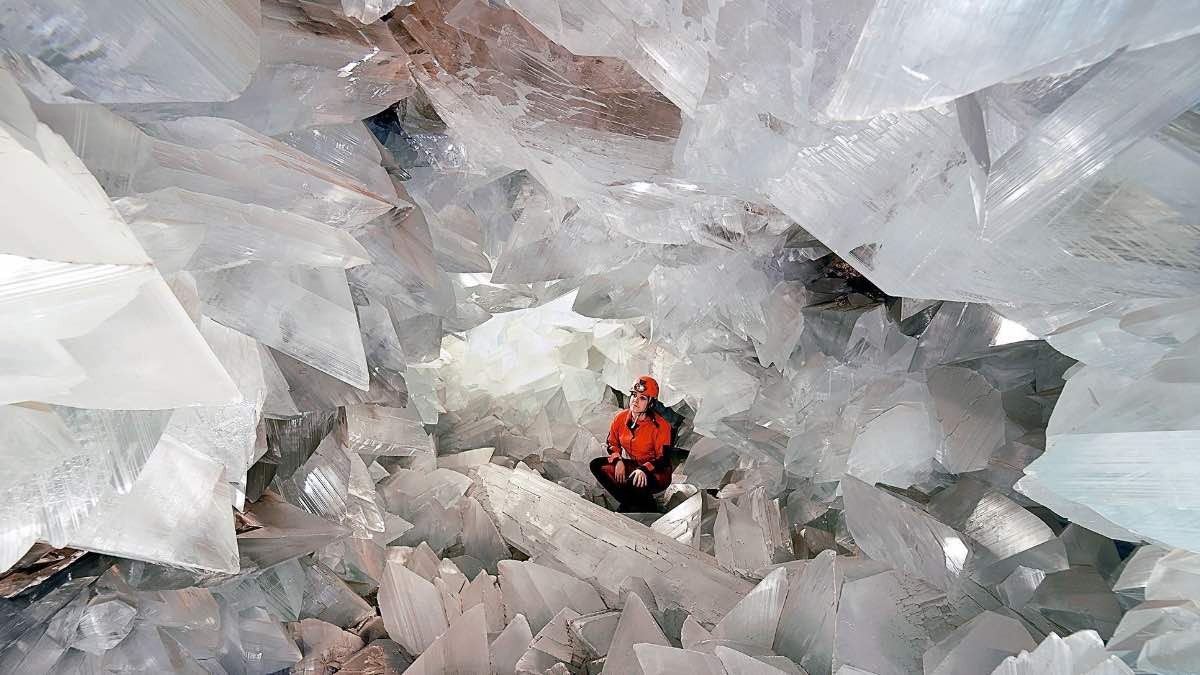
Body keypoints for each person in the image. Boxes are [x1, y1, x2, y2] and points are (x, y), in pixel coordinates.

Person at [589, 375, 673, 512]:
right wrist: (618, 461)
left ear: (651, 403)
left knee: (634, 481)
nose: (635, 401)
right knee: (597, 465)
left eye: (642, 398)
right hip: (635, 465)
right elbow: (612, 443)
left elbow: (663, 459)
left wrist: (644, 470)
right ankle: (637, 502)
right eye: (634, 395)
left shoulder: (661, 426)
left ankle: (631, 506)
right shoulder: (620, 418)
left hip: (657, 472)